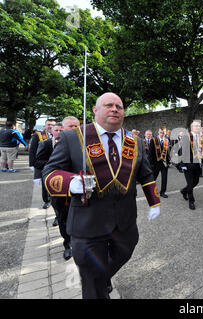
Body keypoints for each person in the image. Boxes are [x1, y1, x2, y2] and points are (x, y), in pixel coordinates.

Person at [42, 92, 161, 298]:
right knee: (93, 286)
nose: (115, 109)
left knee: (120, 256)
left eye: (119, 106)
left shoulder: (136, 141)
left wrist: (154, 202)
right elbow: (50, 172)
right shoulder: (73, 137)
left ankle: (99, 277)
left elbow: (146, 174)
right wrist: (71, 183)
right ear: (95, 110)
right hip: (87, 223)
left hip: (124, 223)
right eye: (108, 105)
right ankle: (96, 282)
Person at [34, 122, 70, 250]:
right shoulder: (45, 144)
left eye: (62, 130)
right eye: (57, 130)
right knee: (62, 215)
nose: (60, 132)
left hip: (70, 185)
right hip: (54, 183)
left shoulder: (74, 144)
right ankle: (67, 244)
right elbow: (37, 161)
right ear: (52, 131)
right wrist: (53, 165)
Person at [29, 118, 55, 209]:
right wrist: (32, 164)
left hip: (57, 163)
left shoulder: (60, 134)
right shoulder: (39, 135)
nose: (50, 126)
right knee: (45, 183)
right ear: (45, 126)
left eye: (52, 125)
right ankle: (47, 200)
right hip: (43, 163)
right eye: (48, 124)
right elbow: (32, 150)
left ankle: (54, 200)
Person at [180, 120, 203, 210]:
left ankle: (183, 191)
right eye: (196, 126)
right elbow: (182, 151)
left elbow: (201, 150)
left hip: (197, 164)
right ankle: (191, 201)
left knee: (196, 181)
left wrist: (202, 161)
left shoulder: (200, 137)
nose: (198, 127)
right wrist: (183, 164)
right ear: (192, 127)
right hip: (188, 164)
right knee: (190, 184)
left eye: (199, 126)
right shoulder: (187, 137)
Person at [148, 126, 170, 198]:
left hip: (164, 163)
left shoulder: (167, 140)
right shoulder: (153, 140)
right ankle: (150, 191)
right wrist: (151, 164)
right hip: (155, 163)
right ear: (158, 132)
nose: (162, 134)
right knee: (153, 178)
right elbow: (150, 153)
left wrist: (168, 161)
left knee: (164, 178)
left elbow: (167, 153)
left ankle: (162, 192)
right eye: (161, 132)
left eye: (163, 133)